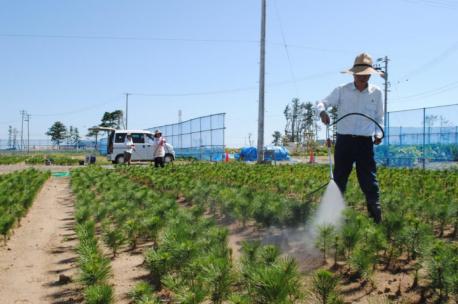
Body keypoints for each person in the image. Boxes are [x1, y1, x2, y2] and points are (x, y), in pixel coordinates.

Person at [317, 52, 384, 223]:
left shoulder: (376, 93)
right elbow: (321, 102)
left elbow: (379, 118)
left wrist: (378, 133)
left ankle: (376, 220)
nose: (363, 77)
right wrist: (323, 112)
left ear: (370, 74)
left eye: (366, 74)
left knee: (369, 181)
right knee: (339, 179)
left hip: (364, 143)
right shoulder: (342, 90)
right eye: (360, 74)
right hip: (344, 141)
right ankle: (332, 220)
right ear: (354, 74)